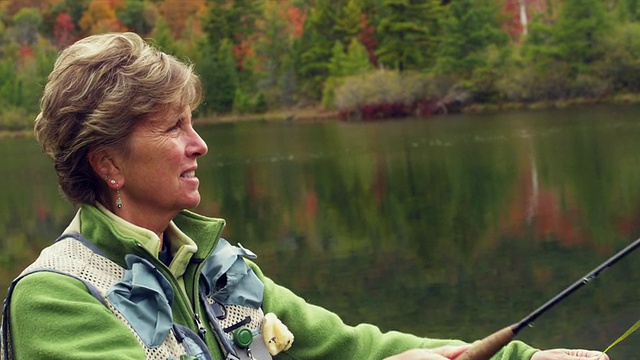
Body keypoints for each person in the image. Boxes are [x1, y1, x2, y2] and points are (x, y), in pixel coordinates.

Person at [0, 32, 608, 360]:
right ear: (107, 162)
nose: (200, 145)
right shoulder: (55, 302)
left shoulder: (211, 264)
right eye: (172, 128)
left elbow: (353, 348)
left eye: (193, 122)